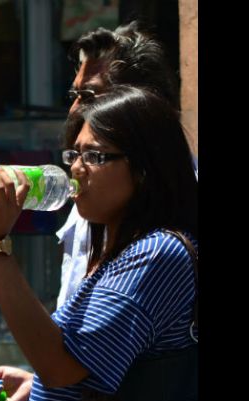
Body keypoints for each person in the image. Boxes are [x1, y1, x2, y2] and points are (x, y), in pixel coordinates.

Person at [0, 85, 198, 401]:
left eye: (95, 156)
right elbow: (81, 369)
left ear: (145, 167)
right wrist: (35, 384)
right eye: (74, 154)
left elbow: (61, 366)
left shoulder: (158, 255)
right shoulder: (114, 248)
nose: (75, 169)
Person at [57, 21, 184, 309]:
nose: (75, 110)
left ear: (138, 102)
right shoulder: (90, 200)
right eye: (73, 96)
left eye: (88, 96)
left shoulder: (173, 223)